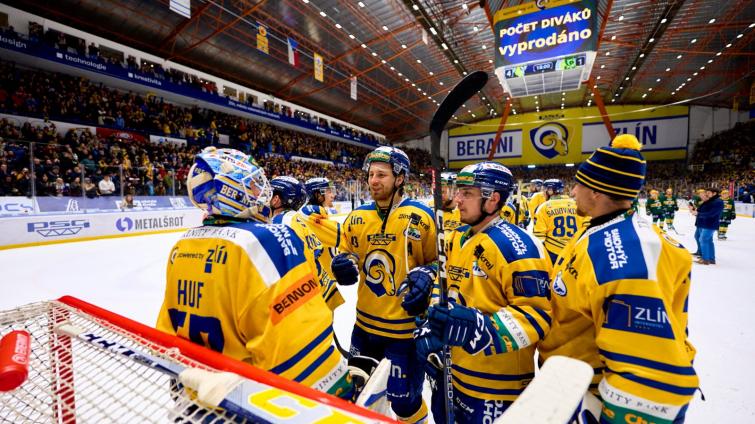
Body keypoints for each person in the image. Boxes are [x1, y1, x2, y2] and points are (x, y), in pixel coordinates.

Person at [156, 147, 353, 401]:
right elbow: (299, 346)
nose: (262, 195)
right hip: (249, 403)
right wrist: (340, 391)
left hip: (192, 399)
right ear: (231, 192)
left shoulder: (181, 247)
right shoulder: (267, 240)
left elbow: (166, 332)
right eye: (253, 187)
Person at [539, 135, 698, 423]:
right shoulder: (602, 230)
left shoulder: (626, 252)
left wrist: (623, 414)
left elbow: (650, 364)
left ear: (597, 192)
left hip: (600, 395)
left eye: (578, 184)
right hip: (573, 382)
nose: (572, 192)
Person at [414, 162, 552, 423]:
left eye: (467, 193)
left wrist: (481, 329)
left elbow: (538, 315)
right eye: (458, 191)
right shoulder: (459, 237)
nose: (457, 199)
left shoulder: (518, 247)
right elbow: (445, 284)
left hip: (498, 388)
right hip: (456, 374)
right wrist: (433, 318)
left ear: (493, 199)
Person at [331, 146, 436, 423]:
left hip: (404, 334)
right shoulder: (356, 218)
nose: (373, 181)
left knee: (404, 402)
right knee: (360, 394)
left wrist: (427, 274)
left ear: (400, 178)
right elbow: (347, 253)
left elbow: (440, 264)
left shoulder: (423, 217)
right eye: (370, 174)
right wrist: (342, 264)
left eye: (382, 175)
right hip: (364, 330)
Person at [269, 176, 343, 311]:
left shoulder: (283, 221)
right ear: (317, 194)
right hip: (322, 288)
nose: (333, 194)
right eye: (328, 191)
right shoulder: (298, 217)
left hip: (309, 298)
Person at [532, 178, 587, 265]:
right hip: (574, 251)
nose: (543, 193)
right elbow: (586, 229)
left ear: (550, 191)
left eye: (545, 190)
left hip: (553, 252)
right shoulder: (577, 204)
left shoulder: (544, 207)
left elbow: (539, 238)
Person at [692, 187, 723, 265]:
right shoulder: (711, 200)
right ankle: (711, 259)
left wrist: (698, 214)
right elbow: (703, 210)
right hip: (705, 223)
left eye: (708, 193)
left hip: (710, 224)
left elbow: (712, 214)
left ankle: (705, 259)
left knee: (703, 239)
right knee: (708, 241)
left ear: (714, 193)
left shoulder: (718, 202)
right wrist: (695, 211)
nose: (707, 194)